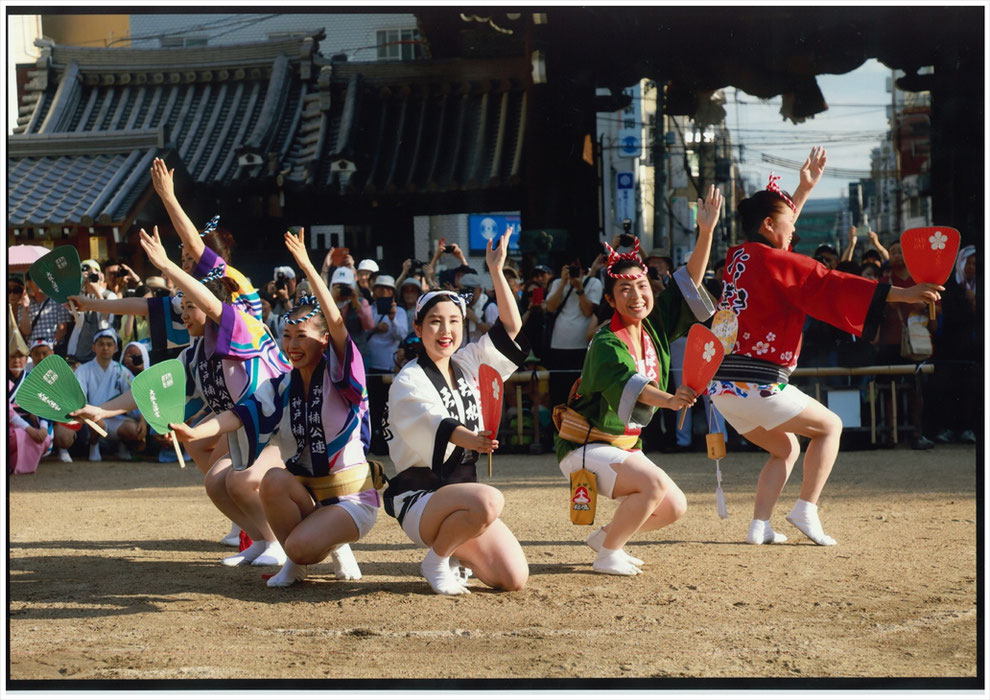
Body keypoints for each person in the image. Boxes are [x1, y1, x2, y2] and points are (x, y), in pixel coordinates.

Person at [707, 147, 943, 547]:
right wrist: (906, 294)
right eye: (788, 224)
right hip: (760, 384)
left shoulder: (737, 258)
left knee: (784, 449)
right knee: (830, 427)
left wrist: (802, 189)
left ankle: (759, 526)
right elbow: (836, 284)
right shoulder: (781, 263)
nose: (794, 232)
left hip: (724, 390)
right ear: (768, 224)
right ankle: (806, 508)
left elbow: (776, 234)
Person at [174, 228, 378, 587]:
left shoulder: (341, 375)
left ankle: (331, 544)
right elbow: (239, 413)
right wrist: (194, 431)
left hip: (351, 497)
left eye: (302, 336)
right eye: (287, 336)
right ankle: (293, 564)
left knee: (300, 545)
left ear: (324, 341)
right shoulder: (282, 384)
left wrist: (310, 270)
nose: (292, 344)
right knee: (272, 480)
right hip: (308, 494)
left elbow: (337, 323)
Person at [554, 186, 721, 576]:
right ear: (610, 300)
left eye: (642, 287)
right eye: (624, 290)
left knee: (674, 506)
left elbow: (689, 283)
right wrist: (671, 399)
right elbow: (634, 387)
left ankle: (606, 536)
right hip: (587, 445)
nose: (636, 295)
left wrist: (706, 231)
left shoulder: (654, 327)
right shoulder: (605, 341)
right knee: (652, 487)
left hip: (625, 445)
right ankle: (607, 553)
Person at [383, 226, 530, 595]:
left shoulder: (468, 362)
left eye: (453, 322)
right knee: (490, 499)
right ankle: (436, 559)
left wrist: (496, 271)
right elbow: (438, 424)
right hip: (420, 498)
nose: (445, 330)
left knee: (512, 578)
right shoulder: (409, 379)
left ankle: (457, 554)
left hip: (463, 496)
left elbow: (511, 328)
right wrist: (475, 439)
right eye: (434, 321)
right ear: (417, 327)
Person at [72, 330, 146, 462]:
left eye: (109, 344)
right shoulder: (83, 370)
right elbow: (78, 398)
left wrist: (142, 420)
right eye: (101, 344)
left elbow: (134, 397)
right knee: (95, 420)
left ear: (115, 348)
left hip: (115, 420)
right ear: (93, 347)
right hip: (91, 421)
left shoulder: (123, 372)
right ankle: (93, 447)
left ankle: (122, 446)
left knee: (134, 430)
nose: (105, 348)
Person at [545, 258, 604, 410]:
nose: (573, 271)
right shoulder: (558, 283)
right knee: (558, 395)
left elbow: (588, 311)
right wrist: (563, 283)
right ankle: (556, 430)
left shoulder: (593, 283)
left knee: (579, 395)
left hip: (582, 347)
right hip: (558, 346)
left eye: (576, 268)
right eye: (570, 268)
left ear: (583, 269)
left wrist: (579, 288)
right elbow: (550, 308)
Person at [17, 273, 72, 348]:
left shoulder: (59, 301)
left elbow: (62, 330)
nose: (40, 283)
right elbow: (26, 332)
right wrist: (25, 308)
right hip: (33, 351)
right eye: (36, 280)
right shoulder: (23, 306)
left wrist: (49, 346)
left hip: (53, 349)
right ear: (29, 283)